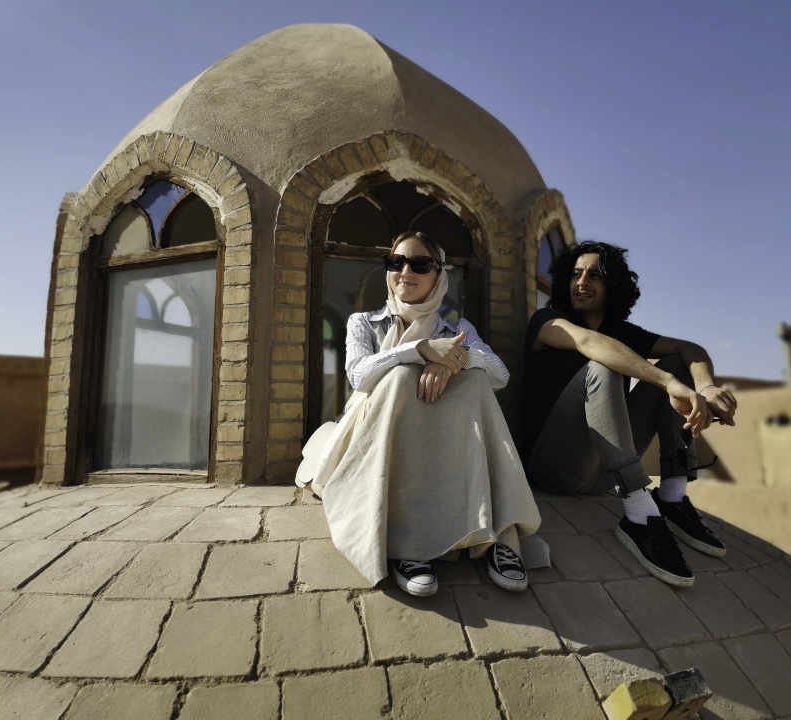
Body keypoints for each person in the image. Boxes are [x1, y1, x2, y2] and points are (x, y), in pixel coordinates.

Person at [298, 231, 541, 597]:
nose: (405, 272)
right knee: (397, 377)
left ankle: (500, 537)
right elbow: (359, 375)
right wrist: (420, 349)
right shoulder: (363, 322)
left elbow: (499, 374)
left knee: (476, 382)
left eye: (420, 264)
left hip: (443, 431)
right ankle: (405, 544)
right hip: (379, 428)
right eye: (396, 263)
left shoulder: (457, 329)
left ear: (438, 274)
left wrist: (452, 361)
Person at [524, 241, 737, 587]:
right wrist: (666, 382)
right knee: (605, 367)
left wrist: (706, 387)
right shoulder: (548, 321)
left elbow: (690, 349)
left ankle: (671, 496)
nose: (582, 282)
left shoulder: (623, 333)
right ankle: (639, 516)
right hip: (554, 469)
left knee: (676, 362)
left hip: (605, 473)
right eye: (576, 274)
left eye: (595, 275)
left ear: (614, 285)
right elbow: (589, 343)